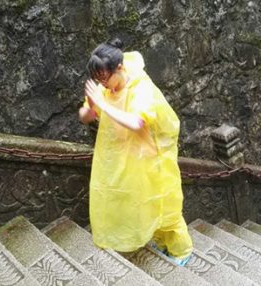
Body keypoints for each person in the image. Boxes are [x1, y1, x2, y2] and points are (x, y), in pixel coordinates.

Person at [79, 38, 193, 266]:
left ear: (119, 68)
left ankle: (181, 250)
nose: (103, 84)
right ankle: (157, 240)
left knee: (165, 202)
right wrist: (92, 106)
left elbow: (137, 122)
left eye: (105, 78)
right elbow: (85, 117)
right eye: (98, 79)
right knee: (138, 201)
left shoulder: (141, 88)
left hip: (151, 155)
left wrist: (102, 104)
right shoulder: (105, 89)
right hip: (122, 157)